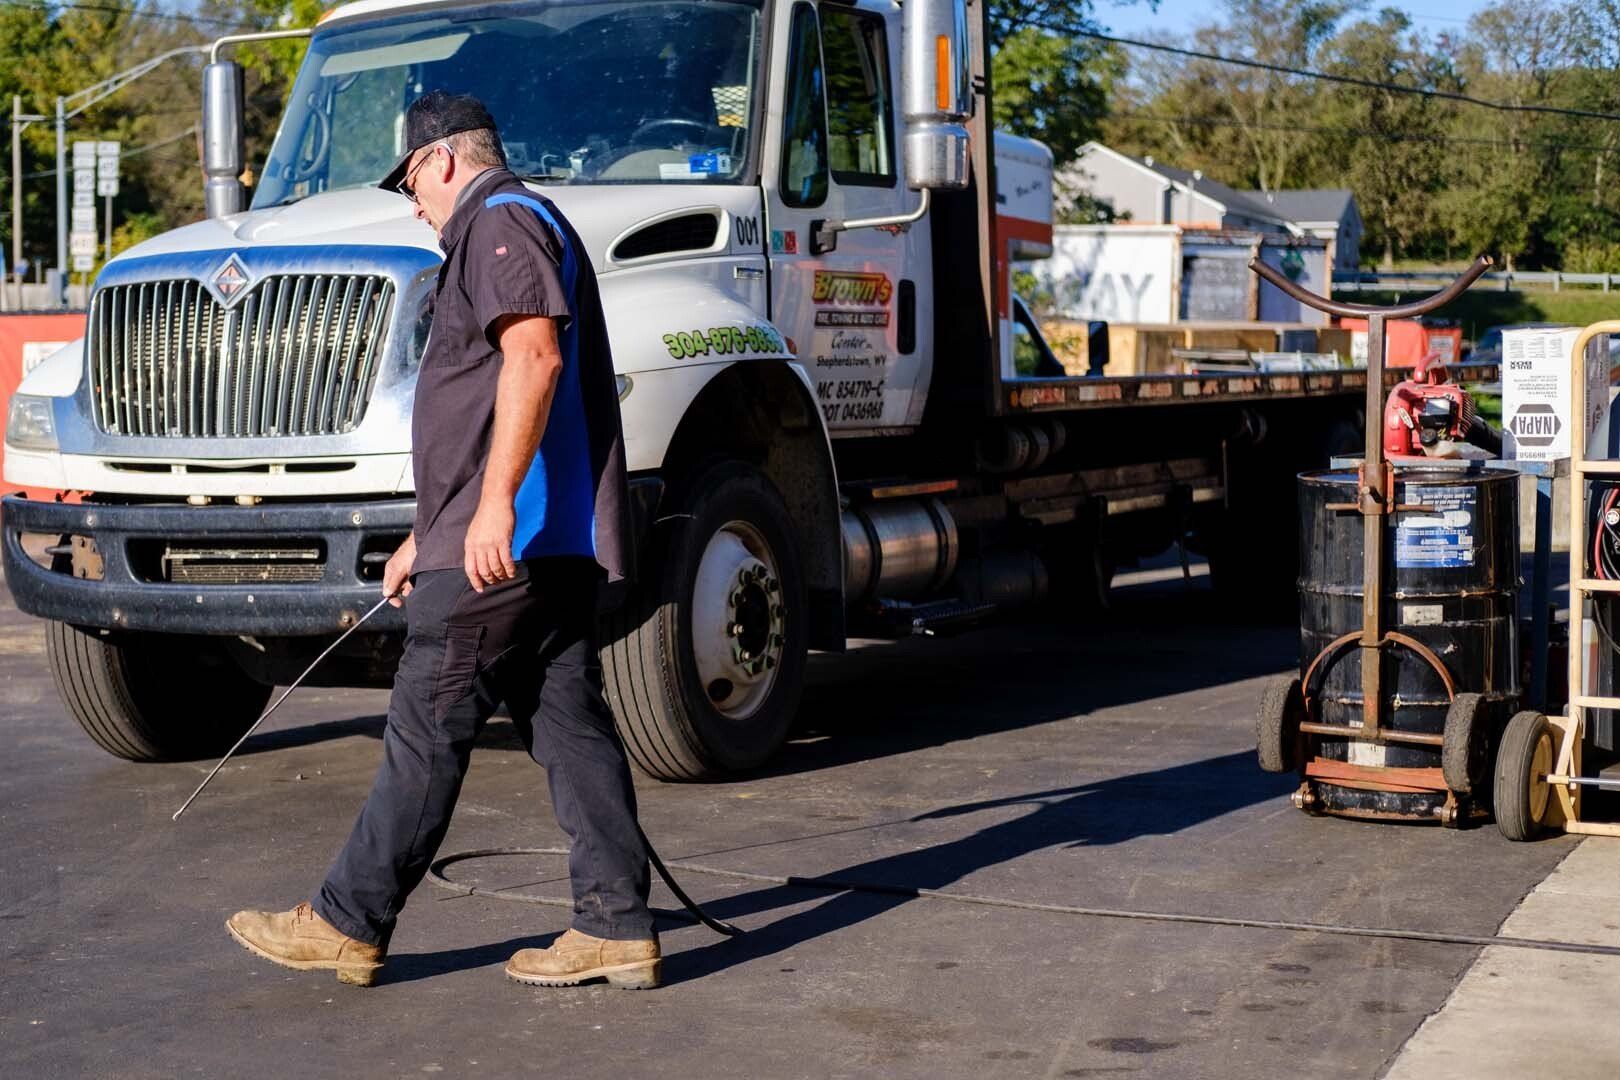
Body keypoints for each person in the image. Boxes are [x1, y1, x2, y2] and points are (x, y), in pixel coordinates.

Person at [226, 91, 659, 991]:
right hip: (536, 533)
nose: (412, 204)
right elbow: (472, 407)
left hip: (507, 538)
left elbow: (533, 357)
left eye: (410, 182)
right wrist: (426, 535)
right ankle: (616, 926)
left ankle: (348, 922)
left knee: (426, 719)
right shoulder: (518, 222)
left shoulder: (499, 224)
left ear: (443, 162)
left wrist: (491, 508)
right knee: (569, 721)